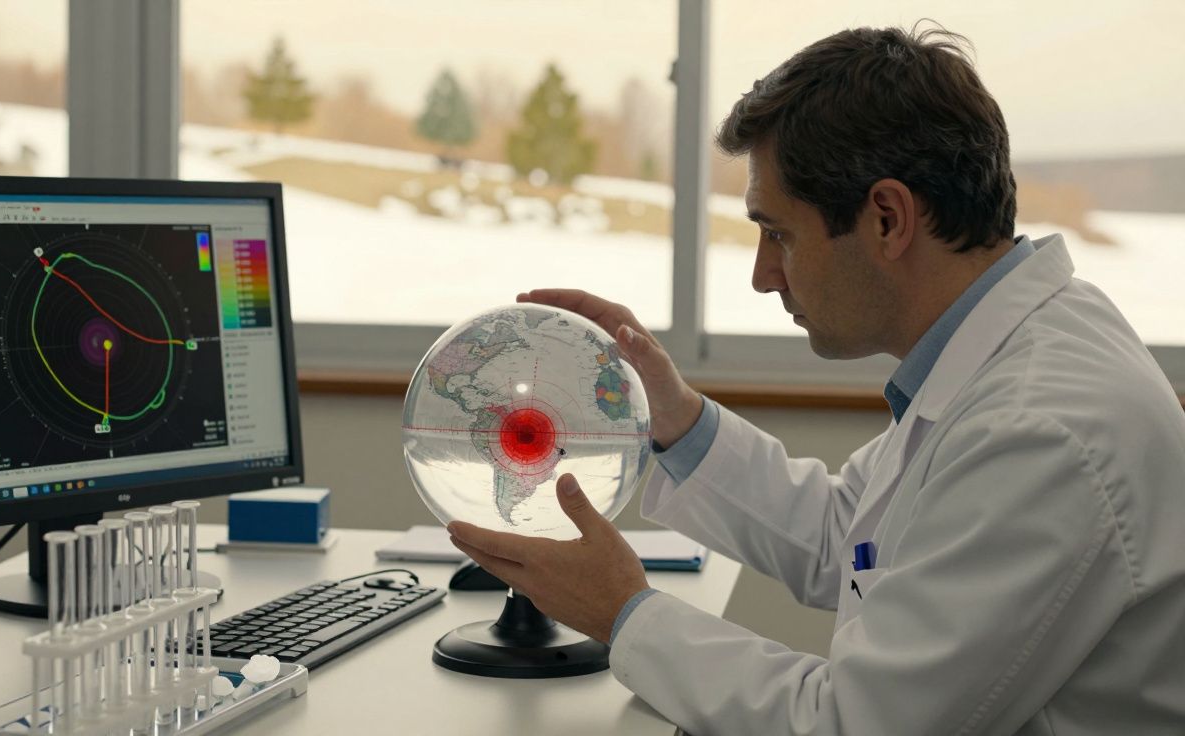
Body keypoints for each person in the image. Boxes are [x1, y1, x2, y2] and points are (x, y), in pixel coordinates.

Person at [447, 24, 1185, 735]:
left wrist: (623, 612)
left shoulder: (1040, 428)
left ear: (887, 218)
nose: (764, 275)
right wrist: (675, 417)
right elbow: (846, 540)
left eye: (778, 234)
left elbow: (855, 724)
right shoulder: (1005, 354)